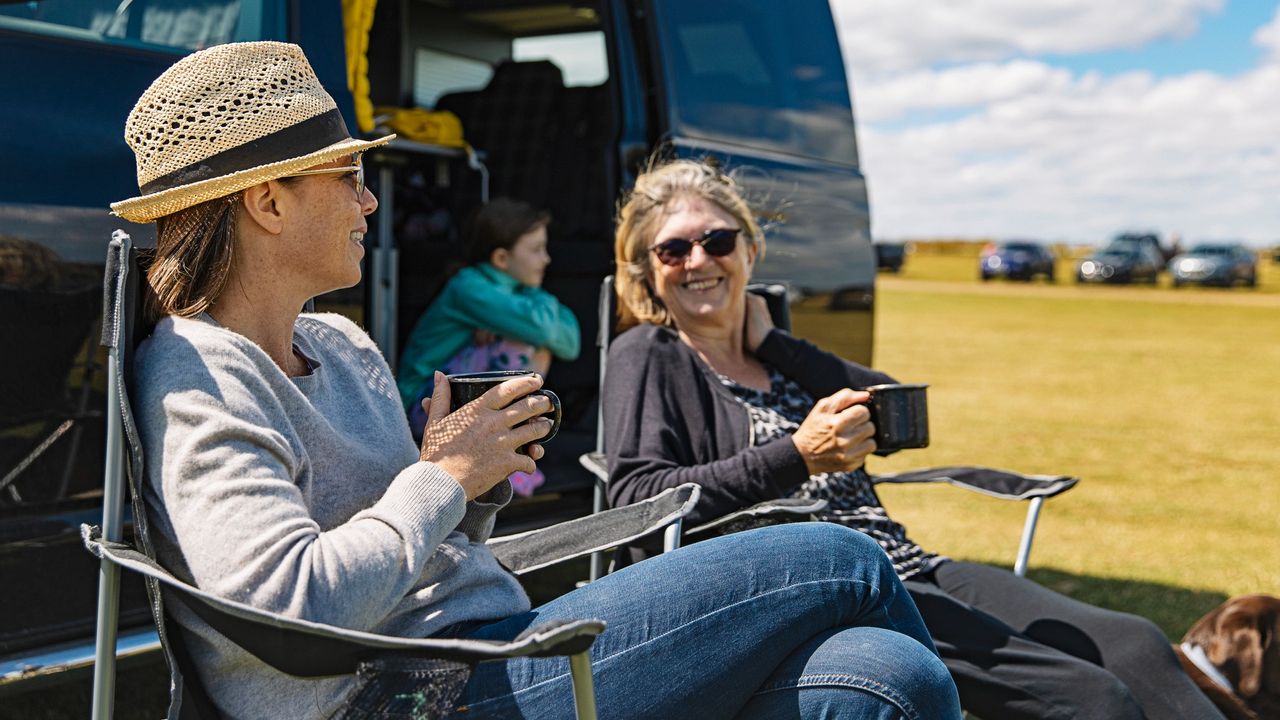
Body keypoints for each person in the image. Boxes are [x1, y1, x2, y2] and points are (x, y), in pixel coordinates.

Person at [111, 42, 961, 720]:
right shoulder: (201, 378)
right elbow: (285, 607)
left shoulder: (341, 345)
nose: (371, 204)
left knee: (886, 677)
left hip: (489, 647)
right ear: (267, 202)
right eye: (350, 179)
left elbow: (431, 548)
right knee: (839, 558)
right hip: (406, 697)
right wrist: (441, 476)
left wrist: (470, 487)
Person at [604, 157, 1228, 720]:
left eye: (717, 240)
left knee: (1135, 643)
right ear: (646, 272)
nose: (698, 261)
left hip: (907, 563)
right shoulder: (651, 354)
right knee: (1091, 698)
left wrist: (772, 341)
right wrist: (798, 455)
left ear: (749, 249)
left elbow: (905, 420)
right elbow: (635, 500)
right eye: (672, 250)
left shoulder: (778, 356)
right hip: (815, 589)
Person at [396, 198, 578, 492]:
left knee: (533, 342)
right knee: (524, 344)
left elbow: (571, 344)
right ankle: (510, 455)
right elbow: (545, 330)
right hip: (425, 405)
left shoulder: (516, 291)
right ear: (502, 259)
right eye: (535, 250)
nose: (546, 259)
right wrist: (538, 305)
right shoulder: (468, 287)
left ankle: (508, 446)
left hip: (453, 403)